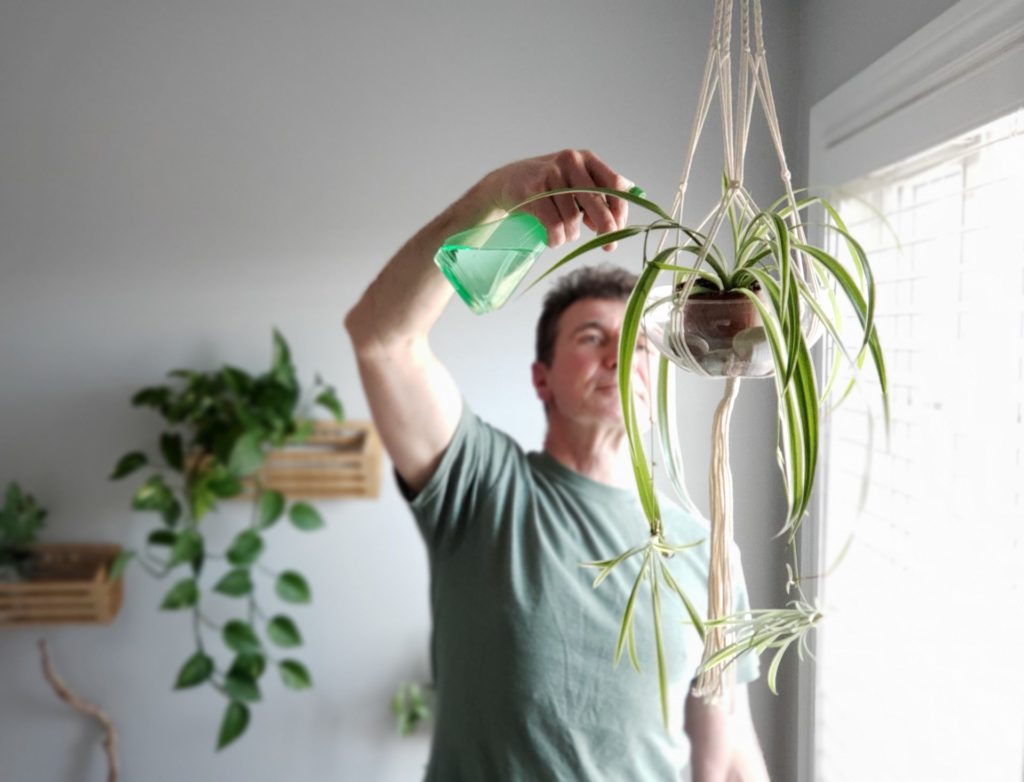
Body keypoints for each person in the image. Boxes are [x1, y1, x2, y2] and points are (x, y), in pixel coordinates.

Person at [344, 150, 770, 781]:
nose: (619, 357)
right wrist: (490, 201)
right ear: (541, 380)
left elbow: (727, 752)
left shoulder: (704, 552)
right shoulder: (484, 488)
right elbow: (383, 339)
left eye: (637, 343)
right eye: (592, 337)